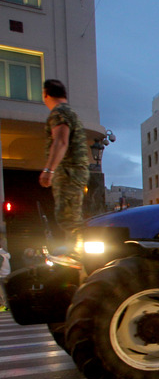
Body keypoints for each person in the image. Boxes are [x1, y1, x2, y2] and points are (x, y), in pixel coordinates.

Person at [39, 79, 90, 257]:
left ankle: (77, 255)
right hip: (76, 170)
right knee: (71, 215)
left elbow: (61, 141)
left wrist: (49, 170)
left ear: (46, 94)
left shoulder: (59, 112)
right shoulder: (70, 113)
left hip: (69, 170)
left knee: (68, 216)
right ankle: (76, 253)